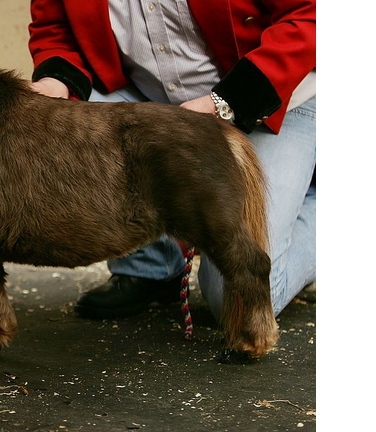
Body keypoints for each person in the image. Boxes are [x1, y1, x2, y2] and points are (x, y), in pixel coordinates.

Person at [28, 0, 316, 321]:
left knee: (236, 300)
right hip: (157, 102)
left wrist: (224, 102)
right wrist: (55, 82)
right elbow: (56, 30)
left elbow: (310, 14)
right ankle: (151, 267)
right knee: (75, 120)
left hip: (279, 99)